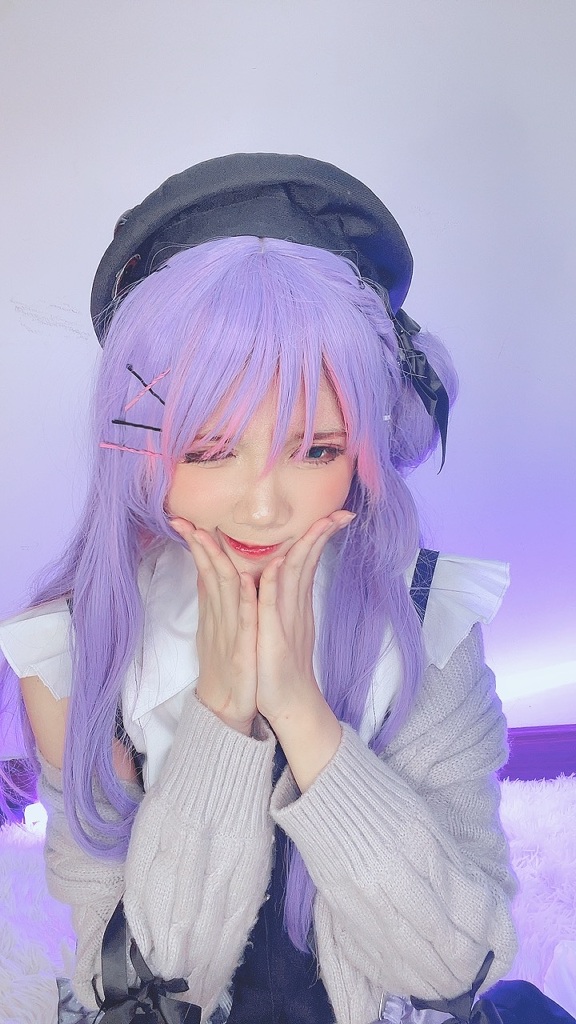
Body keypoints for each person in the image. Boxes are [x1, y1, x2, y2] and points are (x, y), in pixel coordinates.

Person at [0, 154, 531, 1024]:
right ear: (140, 448)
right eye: (209, 450)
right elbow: (137, 995)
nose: (261, 505)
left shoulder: (425, 623)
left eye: (317, 449)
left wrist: (303, 714)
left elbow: (452, 969)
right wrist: (223, 716)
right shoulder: (74, 652)